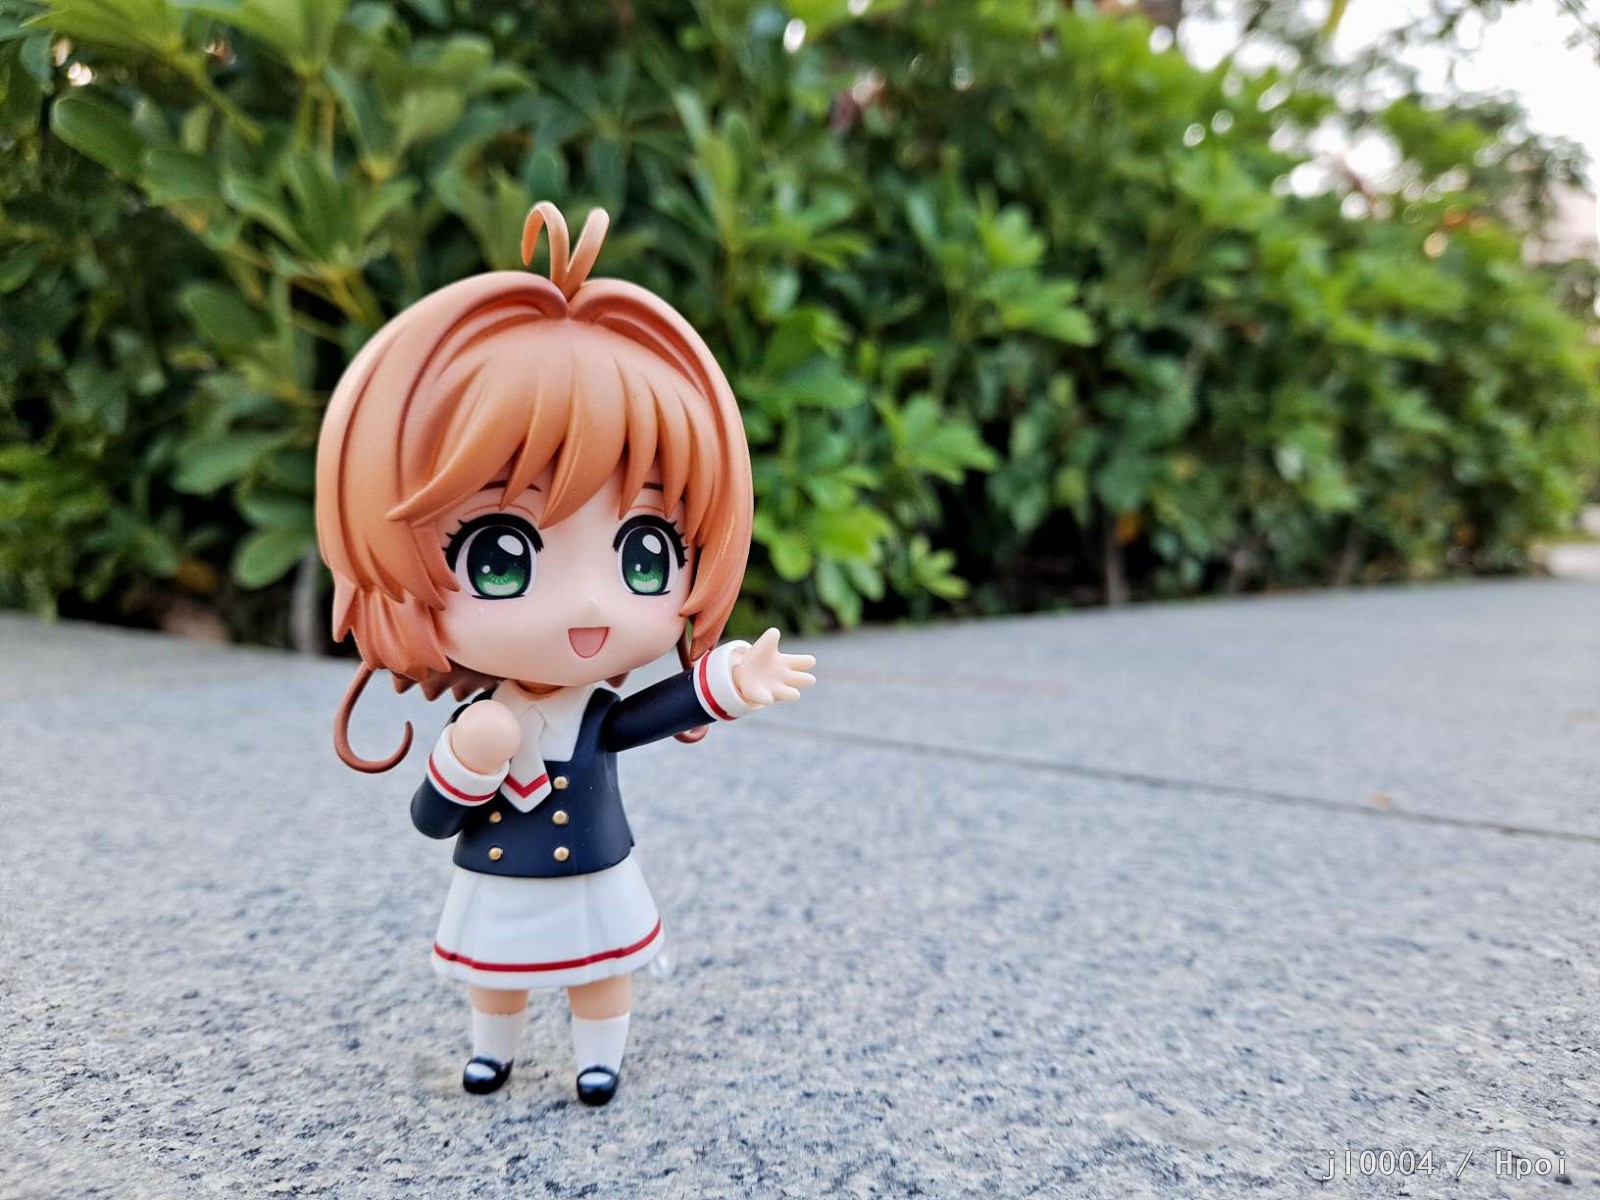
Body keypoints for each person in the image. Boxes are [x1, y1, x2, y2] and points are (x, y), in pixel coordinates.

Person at [315, 203, 816, 1105]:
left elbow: (648, 715)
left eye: (646, 552)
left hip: (593, 873)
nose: (590, 604)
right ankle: (491, 1051)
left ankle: (599, 1057)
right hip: (502, 876)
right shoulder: (483, 715)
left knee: (601, 973)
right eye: (499, 556)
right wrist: (467, 762)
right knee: (495, 975)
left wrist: (727, 682)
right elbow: (433, 819)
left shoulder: (593, 715)